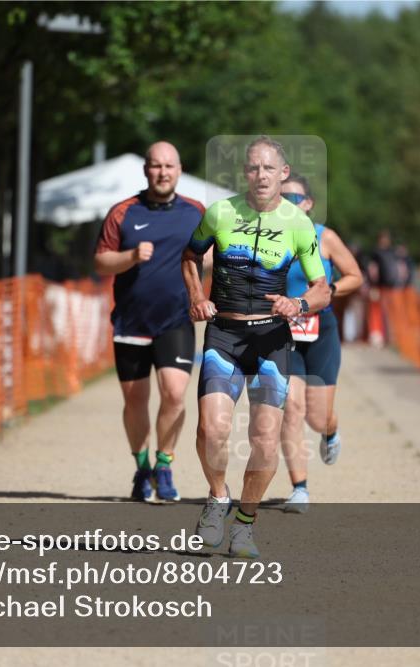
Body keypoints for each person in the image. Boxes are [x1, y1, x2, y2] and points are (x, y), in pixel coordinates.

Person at [182, 136, 331, 558]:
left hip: (271, 339)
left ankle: (245, 523)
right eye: (253, 168)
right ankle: (216, 499)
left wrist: (298, 303)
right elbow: (190, 256)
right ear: (245, 174)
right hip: (224, 335)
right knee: (211, 429)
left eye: (269, 168)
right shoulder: (220, 212)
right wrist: (196, 297)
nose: (261, 175)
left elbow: (323, 288)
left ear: (283, 174)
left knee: (265, 437)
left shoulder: (298, 223)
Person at [93, 141, 205, 503]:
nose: (162, 172)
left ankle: (165, 463)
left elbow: (214, 258)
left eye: (169, 166)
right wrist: (129, 256)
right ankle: (142, 467)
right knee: (135, 400)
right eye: (156, 166)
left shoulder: (196, 212)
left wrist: (206, 296)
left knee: (174, 393)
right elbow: (100, 262)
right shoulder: (123, 212)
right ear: (146, 170)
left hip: (175, 319)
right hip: (131, 321)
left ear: (179, 170)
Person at [277, 173, 363, 513]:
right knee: (291, 408)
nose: (287, 204)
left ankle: (331, 432)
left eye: (294, 199)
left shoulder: (324, 237)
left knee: (317, 416)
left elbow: (356, 276)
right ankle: (300, 488)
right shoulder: (268, 237)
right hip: (283, 331)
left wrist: (330, 291)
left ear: (309, 204)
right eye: (280, 198)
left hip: (320, 330)